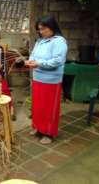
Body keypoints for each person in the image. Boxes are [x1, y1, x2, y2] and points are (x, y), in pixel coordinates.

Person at [24, 15, 68, 145]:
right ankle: (38, 128)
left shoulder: (59, 41)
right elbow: (33, 54)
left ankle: (48, 133)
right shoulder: (40, 41)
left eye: (43, 29)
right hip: (38, 78)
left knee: (49, 108)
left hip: (51, 81)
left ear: (52, 27)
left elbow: (57, 61)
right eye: (39, 29)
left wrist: (38, 63)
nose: (41, 32)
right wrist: (30, 60)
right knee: (38, 106)